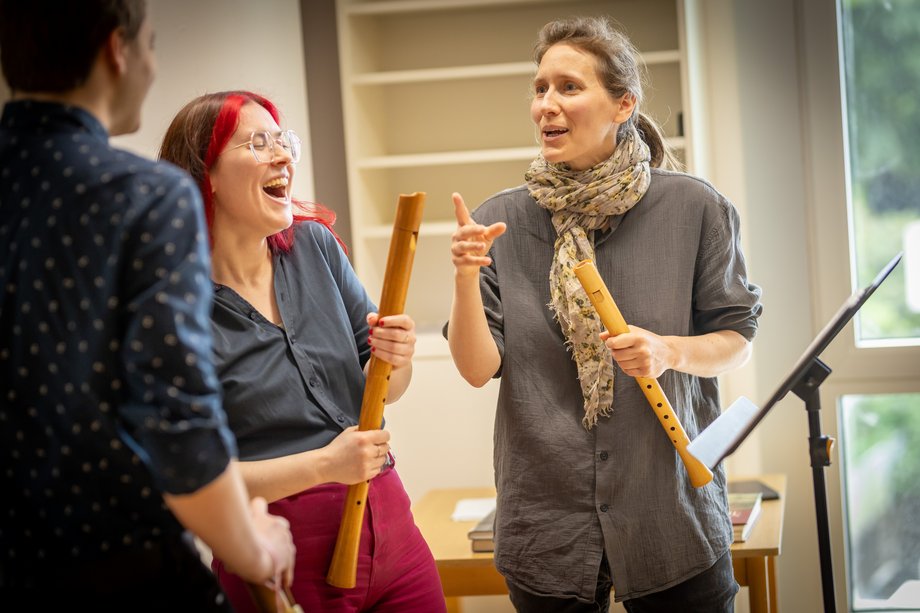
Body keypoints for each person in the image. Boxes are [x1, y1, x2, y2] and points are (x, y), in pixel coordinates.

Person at [447, 16, 763, 613]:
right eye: (540, 88)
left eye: (569, 87)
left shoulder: (695, 206)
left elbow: (737, 337)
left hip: (671, 512)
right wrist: (465, 279)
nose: (546, 104)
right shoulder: (499, 220)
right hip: (546, 519)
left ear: (623, 104)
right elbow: (473, 367)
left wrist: (671, 351)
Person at [0, 0, 296, 608]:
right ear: (118, 49)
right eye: (153, 45)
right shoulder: (144, 197)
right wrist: (254, 548)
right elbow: (178, 420)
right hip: (112, 564)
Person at [158, 90, 447, 613]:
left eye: (283, 140)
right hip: (279, 550)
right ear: (207, 176)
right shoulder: (175, 309)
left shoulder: (315, 246)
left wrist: (396, 358)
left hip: (390, 522)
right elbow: (194, 477)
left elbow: (381, 388)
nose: (284, 156)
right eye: (257, 142)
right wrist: (323, 466)